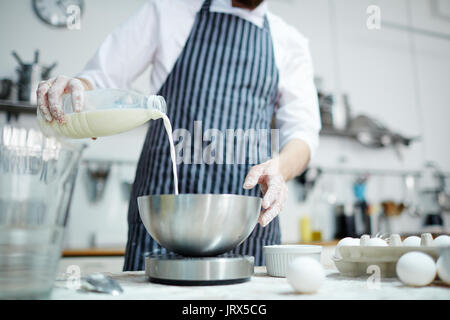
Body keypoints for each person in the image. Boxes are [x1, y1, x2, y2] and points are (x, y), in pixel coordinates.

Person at [36, 0, 321, 270]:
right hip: (164, 220)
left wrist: (279, 169)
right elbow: (100, 80)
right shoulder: (168, 11)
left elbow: (303, 134)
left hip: (248, 221)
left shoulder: (290, 42)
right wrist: (77, 89)